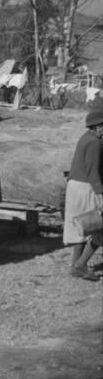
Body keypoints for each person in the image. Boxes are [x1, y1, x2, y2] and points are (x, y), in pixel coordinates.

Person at [63, 110, 103, 281]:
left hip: (75, 186)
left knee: (81, 227)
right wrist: (101, 194)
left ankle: (76, 266)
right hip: (86, 187)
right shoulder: (95, 143)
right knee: (97, 227)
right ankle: (80, 265)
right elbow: (93, 171)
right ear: (96, 127)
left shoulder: (85, 137)